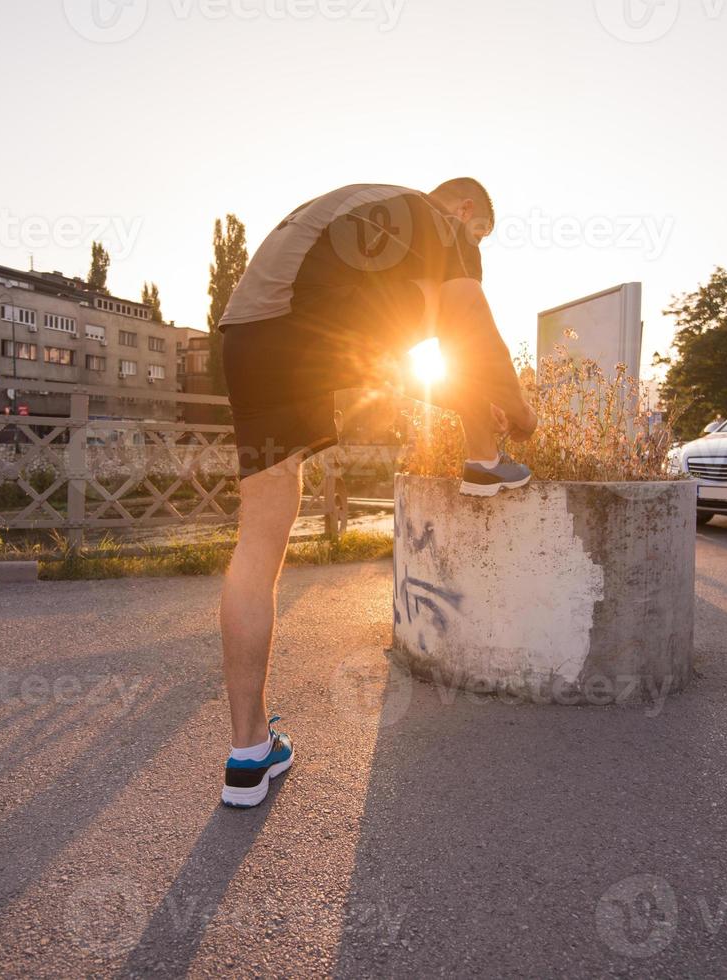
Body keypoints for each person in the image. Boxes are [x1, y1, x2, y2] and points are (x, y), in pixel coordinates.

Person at [214, 179, 538, 807]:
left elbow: (377, 365)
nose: (474, 248)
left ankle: (248, 756)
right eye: (478, 236)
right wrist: (519, 411)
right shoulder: (439, 223)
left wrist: (465, 398)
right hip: (312, 318)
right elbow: (467, 317)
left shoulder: (376, 222)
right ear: (466, 211)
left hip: (247, 337)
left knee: (257, 544)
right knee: (460, 316)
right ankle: (484, 456)